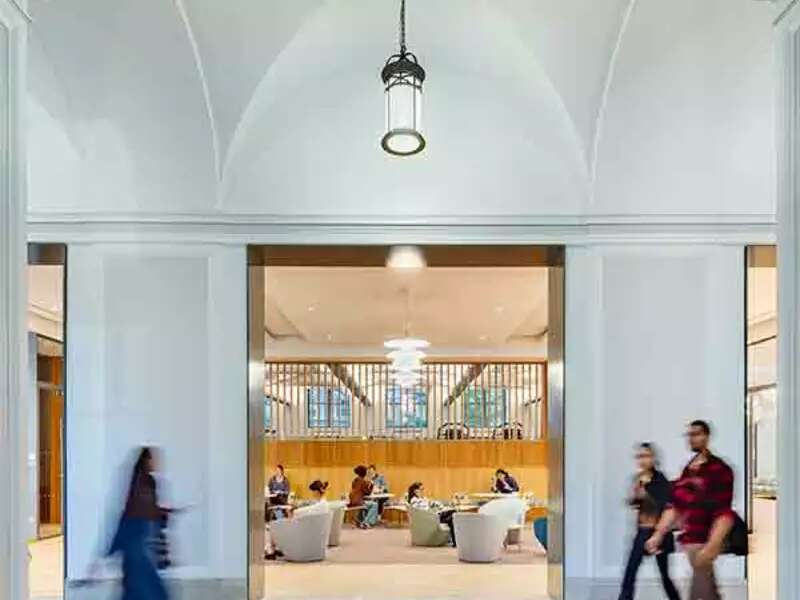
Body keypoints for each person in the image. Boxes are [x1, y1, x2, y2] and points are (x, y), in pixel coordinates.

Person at [646, 420, 735, 600]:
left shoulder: (719, 469)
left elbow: (724, 513)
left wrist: (712, 545)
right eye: (689, 435)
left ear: (706, 437)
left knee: (698, 594)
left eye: (696, 434)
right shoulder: (688, 470)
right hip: (691, 543)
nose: (691, 438)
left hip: (705, 543)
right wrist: (658, 534)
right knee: (710, 594)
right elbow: (675, 506)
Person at [617, 443, 680, 600]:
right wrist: (635, 498)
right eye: (640, 456)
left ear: (653, 458)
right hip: (642, 531)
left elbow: (665, 506)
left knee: (664, 576)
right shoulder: (638, 479)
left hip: (658, 532)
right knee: (630, 572)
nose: (643, 460)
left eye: (646, 456)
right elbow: (637, 503)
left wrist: (657, 536)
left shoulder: (660, 480)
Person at [107, 447, 169, 600]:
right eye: (153, 459)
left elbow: (137, 511)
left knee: (136, 589)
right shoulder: (146, 483)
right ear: (147, 461)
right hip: (140, 547)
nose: (156, 463)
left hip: (136, 546)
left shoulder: (139, 483)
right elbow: (148, 510)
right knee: (148, 590)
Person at [407, 481, 457, 546]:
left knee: (452, 517)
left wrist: (439, 506)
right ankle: (455, 541)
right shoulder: (414, 500)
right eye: (421, 489)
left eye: (423, 489)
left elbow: (432, 503)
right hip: (431, 518)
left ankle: (454, 541)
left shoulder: (423, 498)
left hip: (433, 516)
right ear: (415, 491)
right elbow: (422, 511)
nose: (423, 491)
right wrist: (434, 510)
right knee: (453, 513)